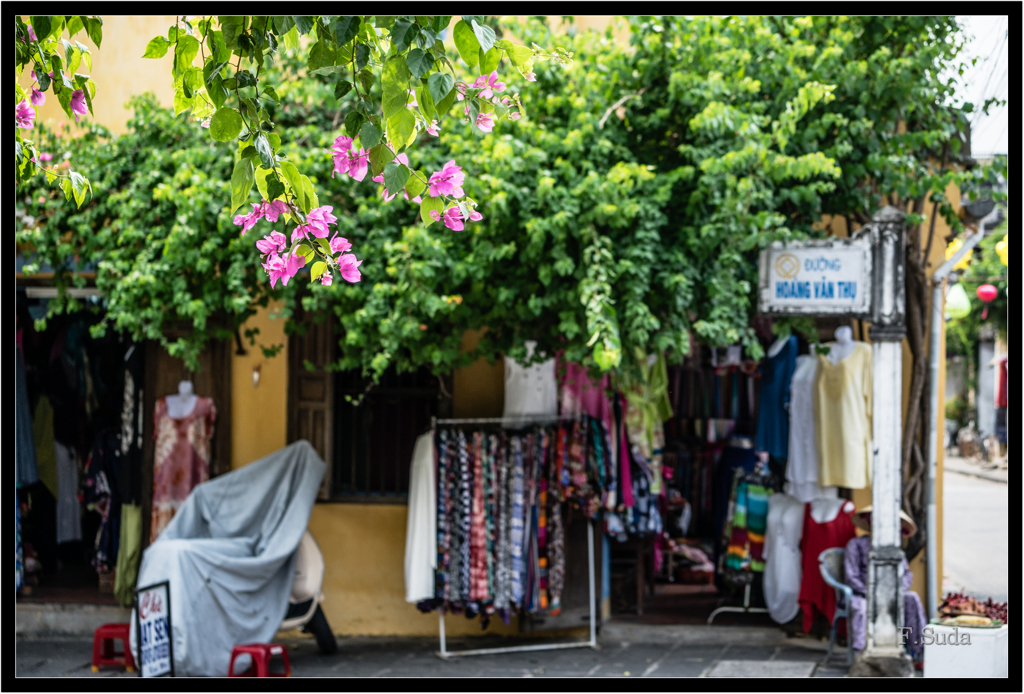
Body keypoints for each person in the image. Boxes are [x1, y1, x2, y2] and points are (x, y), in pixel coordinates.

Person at [843, 507, 927, 663]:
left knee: (912, 598)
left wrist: (898, 590)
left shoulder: (894, 549)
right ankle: (859, 656)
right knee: (860, 608)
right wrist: (870, 592)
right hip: (864, 594)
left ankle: (920, 652)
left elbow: (906, 573)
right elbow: (851, 576)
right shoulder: (855, 545)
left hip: (892, 594)